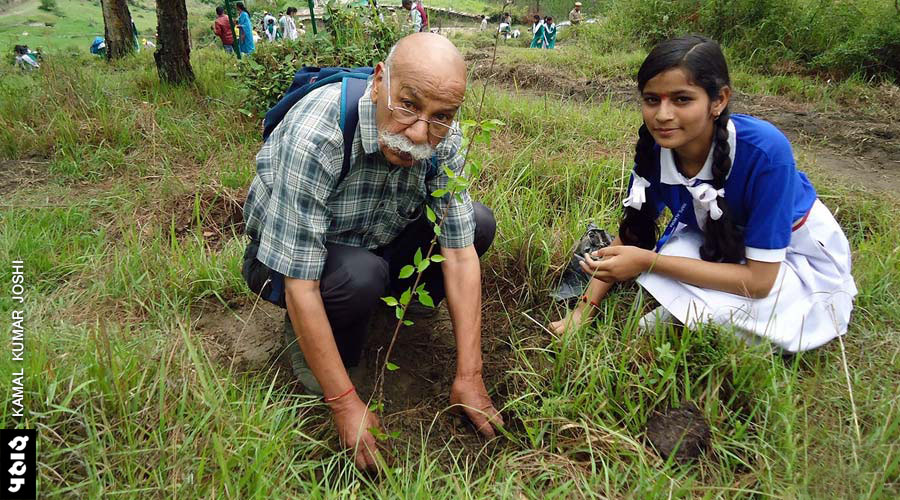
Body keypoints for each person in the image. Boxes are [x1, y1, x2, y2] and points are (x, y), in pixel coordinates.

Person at [242, 33, 503, 472]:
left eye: (441, 116)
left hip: (379, 239)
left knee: (477, 224)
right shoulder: (319, 134)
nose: (420, 133)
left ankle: (400, 306)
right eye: (408, 105)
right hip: (291, 264)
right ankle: (318, 351)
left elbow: (458, 253)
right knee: (357, 275)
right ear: (380, 81)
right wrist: (345, 404)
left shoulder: (444, 136)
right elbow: (300, 282)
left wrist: (470, 377)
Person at [550, 35, 856, 354]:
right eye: (652, 99)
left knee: (740, 314)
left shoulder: (766, 152)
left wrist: (648, 263)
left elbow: (759, 281)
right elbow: (633, 238)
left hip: (792, 255)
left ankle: (708, 315)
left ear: (719, 100)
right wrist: (583, 311)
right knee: (669, 261)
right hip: (720, 240)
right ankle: (688, 311)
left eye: (682, 99)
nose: (663, 115)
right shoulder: (654, 153)